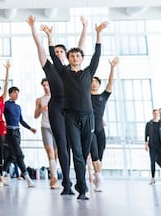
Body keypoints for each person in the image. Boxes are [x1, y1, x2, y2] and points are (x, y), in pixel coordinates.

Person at [45, 19, 107, 200]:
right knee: (78, 153)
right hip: (70, 117)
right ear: (69, 58)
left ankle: (81, 184)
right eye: (71, 56)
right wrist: (49, 37)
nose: (74, 58)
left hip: (88, 117)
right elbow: (53, 57)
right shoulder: (64, 72)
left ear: (81, 58)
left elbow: (97, 56)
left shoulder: (88, 72)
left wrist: (98, 34)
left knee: (84, 152)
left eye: (77, 56)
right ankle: (83, 190)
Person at [26, 15, 86, 196]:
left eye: (62, 52)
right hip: (56, 107)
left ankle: (77, 181)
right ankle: (66, 182)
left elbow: (80, 48)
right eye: (56, 51)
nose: (58, 53)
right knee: (61, 143)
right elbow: (39, 47)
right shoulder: (49, 67)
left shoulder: (71, 69)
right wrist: (33, 28)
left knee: (72, 144)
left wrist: (84, 27)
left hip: (71, 107)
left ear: (66, 55)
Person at [89, 57, 118, 192]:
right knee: (94, 154)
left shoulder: (103, 97)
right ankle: (99, 178)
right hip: (90, 129)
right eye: (91, 82)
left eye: (96, 82)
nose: (93, 84)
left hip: (101, 130)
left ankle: (97, 176)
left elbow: (110, 83)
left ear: (99, 84)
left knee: (99, 156)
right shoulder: (85, 97)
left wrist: (112, 67)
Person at [3, 85, 37, 187]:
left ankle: (1, 175)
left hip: (17, 132)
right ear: (10, 94)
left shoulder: (18, 107)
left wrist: (30, 128)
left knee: (11, 156)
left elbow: (21, 121)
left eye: (18, 93)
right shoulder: (6, 105)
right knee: (19, 154)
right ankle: (27, 178)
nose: (16, 94)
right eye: (14, 92)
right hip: (9, 132)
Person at [34, 78, 58, 189]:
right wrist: (41, 109)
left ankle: (55, 174)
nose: (46, 87)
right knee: (50, 152)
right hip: (45, 127)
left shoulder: (57, 97)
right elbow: (35, 115)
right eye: (44, 85)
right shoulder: (39, 100)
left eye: (47, 85)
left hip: (57, 127)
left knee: (57, 154)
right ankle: (53, 178)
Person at [145, 108, 161, 184]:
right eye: (155, 113)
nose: (156, 115)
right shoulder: (149, 124)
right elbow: (146, 135)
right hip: (152, 145)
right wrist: (146, 144)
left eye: (157, 113)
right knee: (152, 161)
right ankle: (153, 178)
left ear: (159, 115)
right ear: (153, 114)